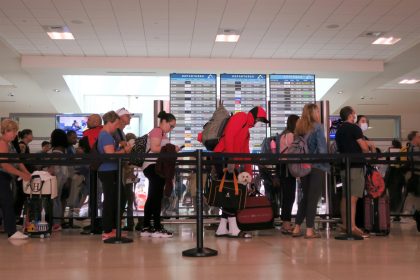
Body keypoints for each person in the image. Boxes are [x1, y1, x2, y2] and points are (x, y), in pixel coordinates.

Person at [213, 106, 269, 238]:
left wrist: (249, 175)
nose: (258, 123)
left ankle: (222, 228)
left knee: (229, 193)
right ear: (254, 116)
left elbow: (246, 153)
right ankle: (233, 229)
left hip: (229, 159)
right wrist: (231, 160)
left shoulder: (246, 130)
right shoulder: (241, 117)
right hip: (223, 157)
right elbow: (229, 136)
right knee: (231, 193)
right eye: (259, 119)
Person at [291, 104, 329, 239]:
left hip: (304, 167)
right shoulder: (317, 127)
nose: (319, 113)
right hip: (316, 166)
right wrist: (327, 162)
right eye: (317, 111)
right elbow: (322, 150)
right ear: (313, 113)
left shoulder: (300, 127)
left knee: (305, 197)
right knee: (313, 198)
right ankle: (309, 230)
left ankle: (296, 228)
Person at [140, 111, 179, 238]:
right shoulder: (157, 131)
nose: (171, 129)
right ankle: (155, 227)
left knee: (153, 196)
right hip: (153, 166)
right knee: (155, 197)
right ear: (163, 122)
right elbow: (155, 147)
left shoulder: (161, 133)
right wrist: (172, 148)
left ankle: (147, 226)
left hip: (155, 166)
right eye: (171, 125)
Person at [335, 106, 370, 238]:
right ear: (350, 115)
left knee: (345, 196)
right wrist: (368, 147)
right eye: (354, 113)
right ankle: (352, 226)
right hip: (355, 166)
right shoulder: (354, 128)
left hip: (344, 166)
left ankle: (345, 225)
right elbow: (364, 147)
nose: (355, 115)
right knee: (353, 198)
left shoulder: (339, 130)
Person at [97, 111, 132, 241]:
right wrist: (125, 151)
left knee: (118, 197)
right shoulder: (105, 135)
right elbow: (110, 154)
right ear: (110, 122)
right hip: (108, 171)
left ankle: (113, 227)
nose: (117, 127)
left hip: (111, 170)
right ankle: (108, 229)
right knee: (111, 199)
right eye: (116, 124)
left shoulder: (107, 135)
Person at [0, 119, 31, 239]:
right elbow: (5, 164)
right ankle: (12, 232)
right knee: (7, 202)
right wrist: (21, 174)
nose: (14, 134)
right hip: (1, 176)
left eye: (15, 131)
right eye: (12, 131)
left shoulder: (10, 143)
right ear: (5, 131)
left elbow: (17, 160)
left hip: (5, 177)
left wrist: (27, 173)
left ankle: (11, 230)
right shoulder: (2, 143)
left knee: (6, 202)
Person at [47, 129, 73, 231]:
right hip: (63, 176)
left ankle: (56, 223)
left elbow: (53, 167)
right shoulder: (65, 150)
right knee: (57, 199)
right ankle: (57, 222)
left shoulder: (55, 151)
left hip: (55, 176)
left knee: (54, 198)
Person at [278, 114, 299, 234]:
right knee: (289, 196)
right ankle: (286, 224)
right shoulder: (290, 135)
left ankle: (286, 222)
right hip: (287, 167)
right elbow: (294, 151)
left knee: (287, 196)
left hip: (284, 167)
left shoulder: (284, 134)